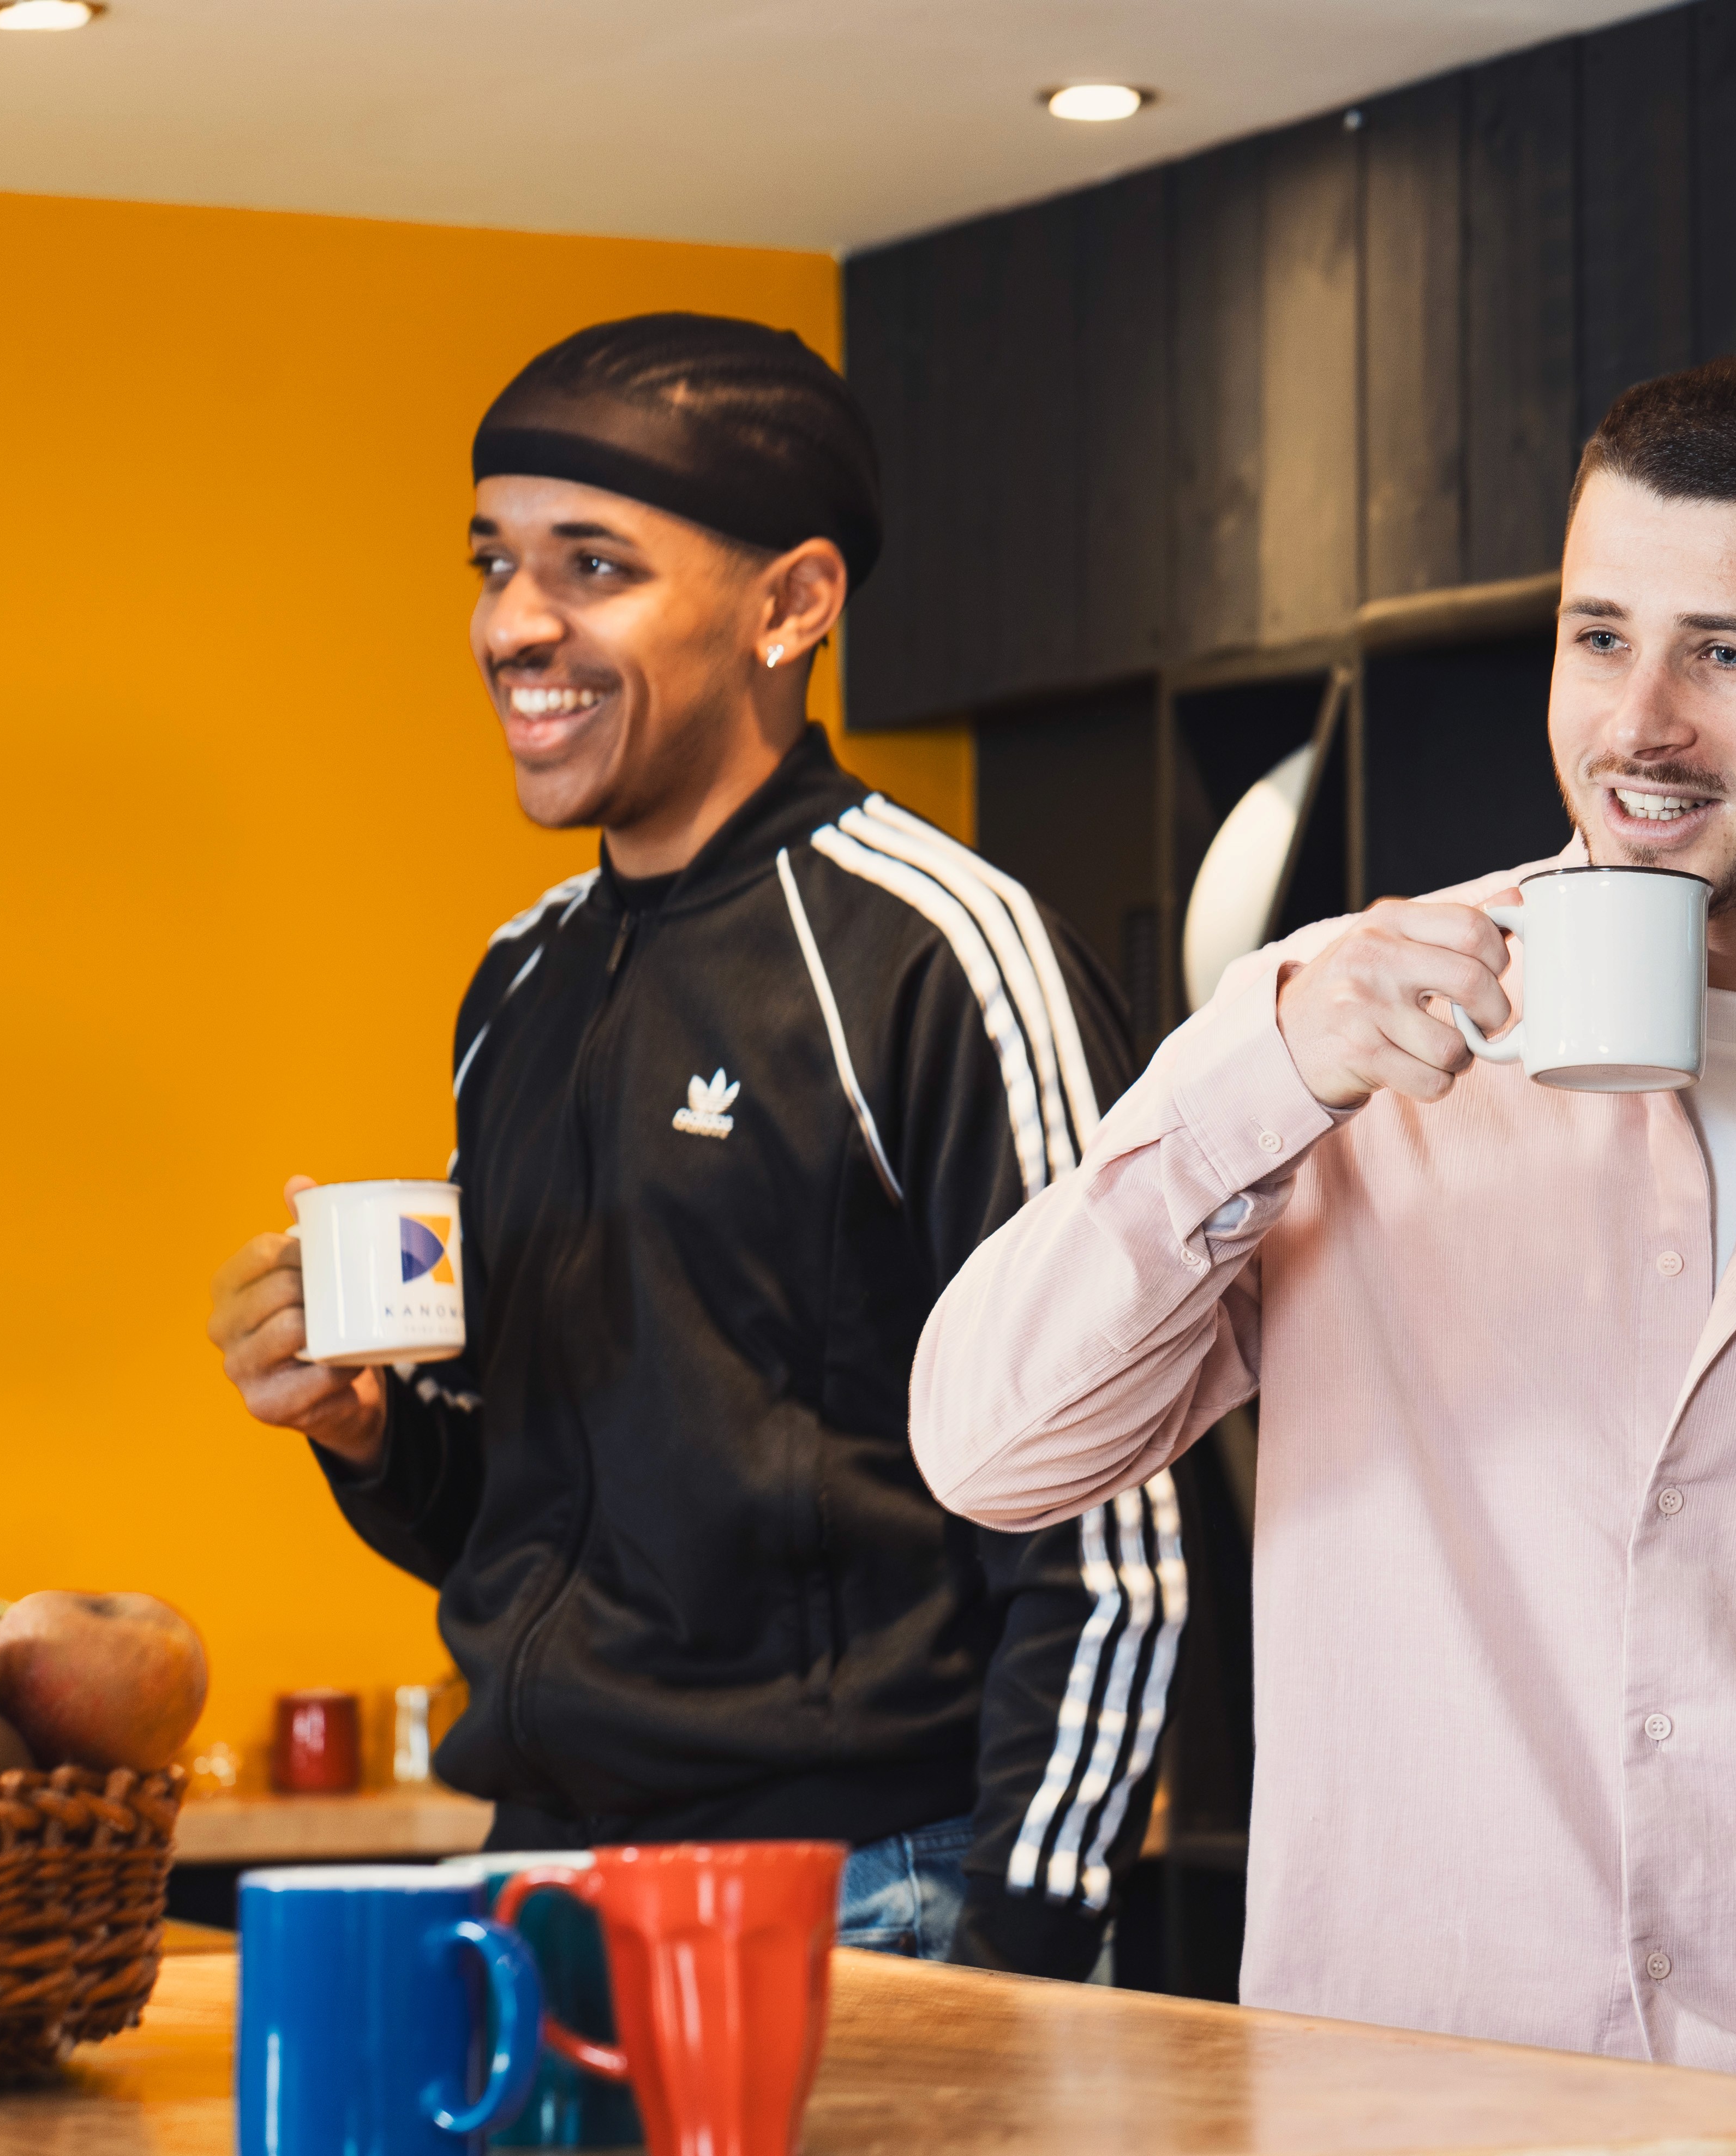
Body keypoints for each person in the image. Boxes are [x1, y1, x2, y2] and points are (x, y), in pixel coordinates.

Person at [908, 355, 1736, 2156]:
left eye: (1726, 653)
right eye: (1596, 634)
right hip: (1407, 2142)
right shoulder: (1330, 1037)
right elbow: (993, 1451)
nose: (1638, 722)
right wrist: (1267, 1082)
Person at [207, 314, 1176, 1975]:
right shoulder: (518, 981)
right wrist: (366, 1431)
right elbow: (531, 1511)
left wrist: (1030, 1968)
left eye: (593, 565)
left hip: (865, 1905)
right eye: (493, 562)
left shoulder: (942, 953)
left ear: (793, 605)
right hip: (537, 1890)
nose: (515, 625)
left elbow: (1117, 1537)